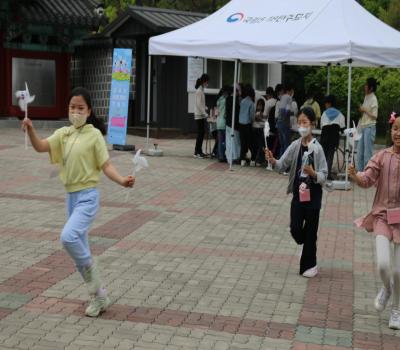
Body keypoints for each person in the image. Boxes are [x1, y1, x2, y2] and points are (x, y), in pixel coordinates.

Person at [21, 87, 135, 317]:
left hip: (88, 196)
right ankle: (98, 297)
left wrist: (122, 180)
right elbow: (41, 147)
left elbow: (106, 166)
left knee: (68, 238)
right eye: (72, 107)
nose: (76, 112)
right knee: (77, 252)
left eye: (80, 108)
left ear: (89, 110)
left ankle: (96, 285)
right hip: (71, 198)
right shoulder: (63, 134)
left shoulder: (93, 135)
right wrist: (31, 130)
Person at [348, 114, 400, 330]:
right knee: (383, 265)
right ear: (391, 130)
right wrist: (355, 176)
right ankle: (387, 289)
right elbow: (366, 180)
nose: (399, 133)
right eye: (396, 128)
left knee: (399, 271)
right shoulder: (381, 156)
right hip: (381, 216)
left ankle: (397, 310)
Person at [266, 107, 328, 277]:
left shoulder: (318, 149)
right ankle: (306, 245)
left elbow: (324, 173)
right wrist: (272, 160)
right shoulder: (295, 145)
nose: (301, 126)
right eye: (299, 122)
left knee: (311, 232)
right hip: (298, 195)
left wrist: (313, 173)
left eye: (305, 122)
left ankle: (310, 265)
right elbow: (281, 165)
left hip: (313, 196)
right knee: (295, 229)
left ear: (312, 124)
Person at [320, 95, 346, 180]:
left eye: (326, 103)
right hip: (334, 136)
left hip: (324, 135)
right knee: (330, 155)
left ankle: (322, 173)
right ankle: (328, 174)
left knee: (323, 155)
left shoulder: (324, 113)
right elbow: (342, 128)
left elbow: (322, 126)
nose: (325, 105)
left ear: (329, 103)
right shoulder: (339, 114)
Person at [357, 77, 379, 171]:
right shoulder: (366, 96)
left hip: (369, 127)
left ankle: (368, 175)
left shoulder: (374, 98)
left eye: (366, 85)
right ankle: (360, 174)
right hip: (363, 126)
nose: (364, 87)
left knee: (367, 154)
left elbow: (375, 116)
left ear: (371, 88)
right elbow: (366, 112)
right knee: (360, 153)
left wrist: (364, 110)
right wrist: (362, 110)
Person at [238, 84, 256, 166]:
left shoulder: (242, 101)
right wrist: (253, 121)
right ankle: (253, 160)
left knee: (243, 142)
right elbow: (252, 116)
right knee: (251, 143)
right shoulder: (251, 103)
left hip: (241, 124)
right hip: (248, 125)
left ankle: (242, 160)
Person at [194, 73, 210, 158]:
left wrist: (205, 107)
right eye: (207, 82)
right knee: (200, 134)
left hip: (201, 115)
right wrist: (205, 113)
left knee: (201, 133)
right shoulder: (199, 91)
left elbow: (201, 104)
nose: (207, 84)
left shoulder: (201, 90)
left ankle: (199, 151)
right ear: (204, 81)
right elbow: (199, 105)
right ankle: (197, 152)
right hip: (199, 115)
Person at [225, 85, 241, 164]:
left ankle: (229, 157)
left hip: (228, 123)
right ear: (235, 92)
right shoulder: (235, 101)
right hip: (234, 124)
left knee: (228, 141)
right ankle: (235, 157)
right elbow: (237, 113)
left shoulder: (227, 99)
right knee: (235, 142)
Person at [252, 98, 267, 166]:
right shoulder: (255, 112)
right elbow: (255, 119)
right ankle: (257, 160)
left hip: (261, 129)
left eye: (261, 105)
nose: (259, 106)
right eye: (258, 105)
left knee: (261, 145)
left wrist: (261, 118)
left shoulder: (263, 113)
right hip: (257, 129)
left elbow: (265, 120)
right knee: (259, 145)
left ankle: (259, 160)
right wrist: (260, 118)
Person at [216, 86, 229, 162]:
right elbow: (225, 113)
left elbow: (217, 112)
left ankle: (220, 156)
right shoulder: (225, 100)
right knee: (225, 141)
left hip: (218, 123)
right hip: (224, 123)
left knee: (220, 141)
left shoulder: (218, 100)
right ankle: (223, 155)